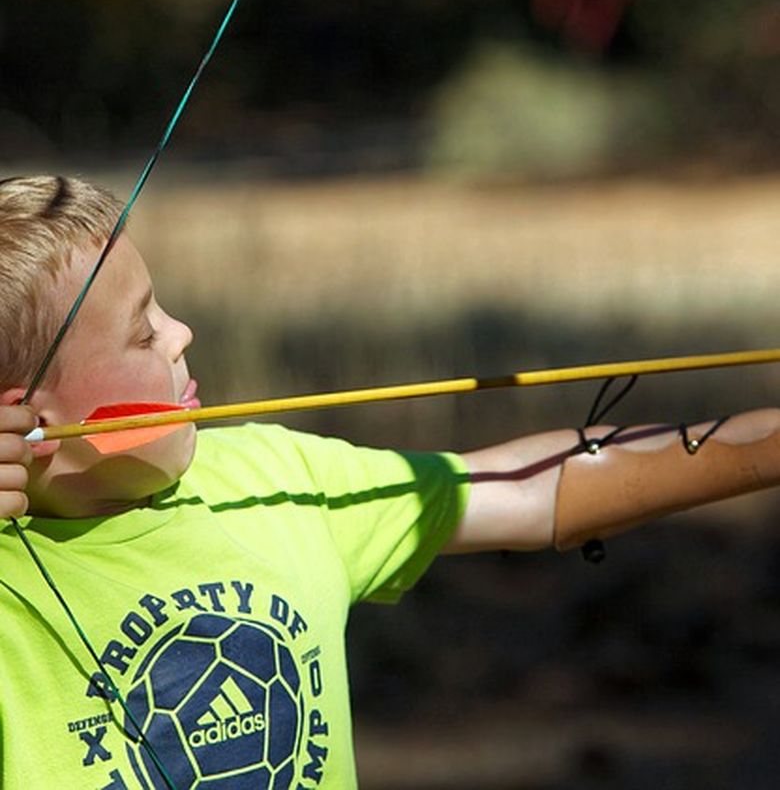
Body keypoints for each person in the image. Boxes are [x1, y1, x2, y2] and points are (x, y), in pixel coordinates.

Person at [1, 175, 779, 789]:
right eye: (142, 330)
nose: (182, 333)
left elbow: (529, 489)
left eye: (161, 307)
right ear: (28, 419)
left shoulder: (275, 477)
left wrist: (765, 444)